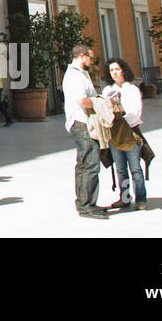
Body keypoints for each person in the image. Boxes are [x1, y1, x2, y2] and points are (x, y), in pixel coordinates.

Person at [64, 44, 104, 219]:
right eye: (90, 57)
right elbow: (82, 100)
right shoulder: (74, 76)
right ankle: (87, 205)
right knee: (90, 163)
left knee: (84, 163)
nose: (92, 61)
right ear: (81, 56)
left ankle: (84, 202)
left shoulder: (81, 74)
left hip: (82, 122)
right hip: (81, 122)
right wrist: (102, 103)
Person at [101, 57, 147, 210]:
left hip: (130, 134)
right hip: (114, 135)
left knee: (135, 168)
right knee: (120, 169)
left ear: (123, 70)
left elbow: (135, 112)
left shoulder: (131, 90)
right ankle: (125, 197)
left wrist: (121, 113)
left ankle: (141, 199)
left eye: (116, 69)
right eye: (111, 70)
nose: (114, 73)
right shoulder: (107, 91)